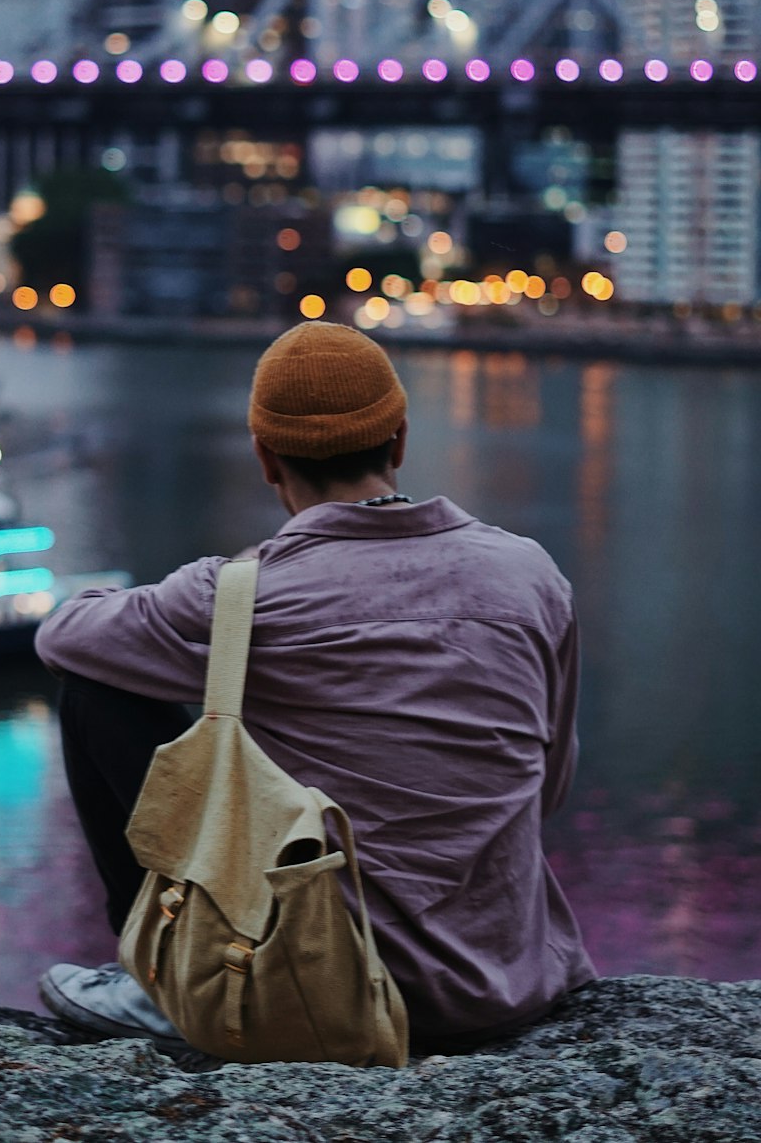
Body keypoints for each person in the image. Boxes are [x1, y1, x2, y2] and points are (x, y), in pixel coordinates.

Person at [35, 321, 594, 1056]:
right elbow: (547, 788)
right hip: (506, 987)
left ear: (266, 459)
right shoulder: (530, 574)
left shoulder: (244, 593)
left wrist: (227, 613)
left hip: (314, 991)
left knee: (94, 689)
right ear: (398, 441)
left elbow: (62, 636)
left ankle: (165, 978)